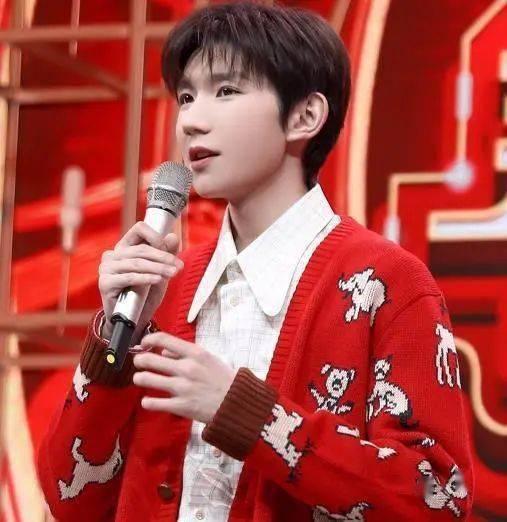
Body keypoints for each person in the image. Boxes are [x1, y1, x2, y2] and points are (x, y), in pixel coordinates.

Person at [36, 2, 474, 521]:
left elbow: (438, 499)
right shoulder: (165, 288)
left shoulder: (387, 282)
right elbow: (71, 498)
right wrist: (114, 337)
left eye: (226, 91)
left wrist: (245, 413)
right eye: (186, 96)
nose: (192, 121)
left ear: (305, 116)